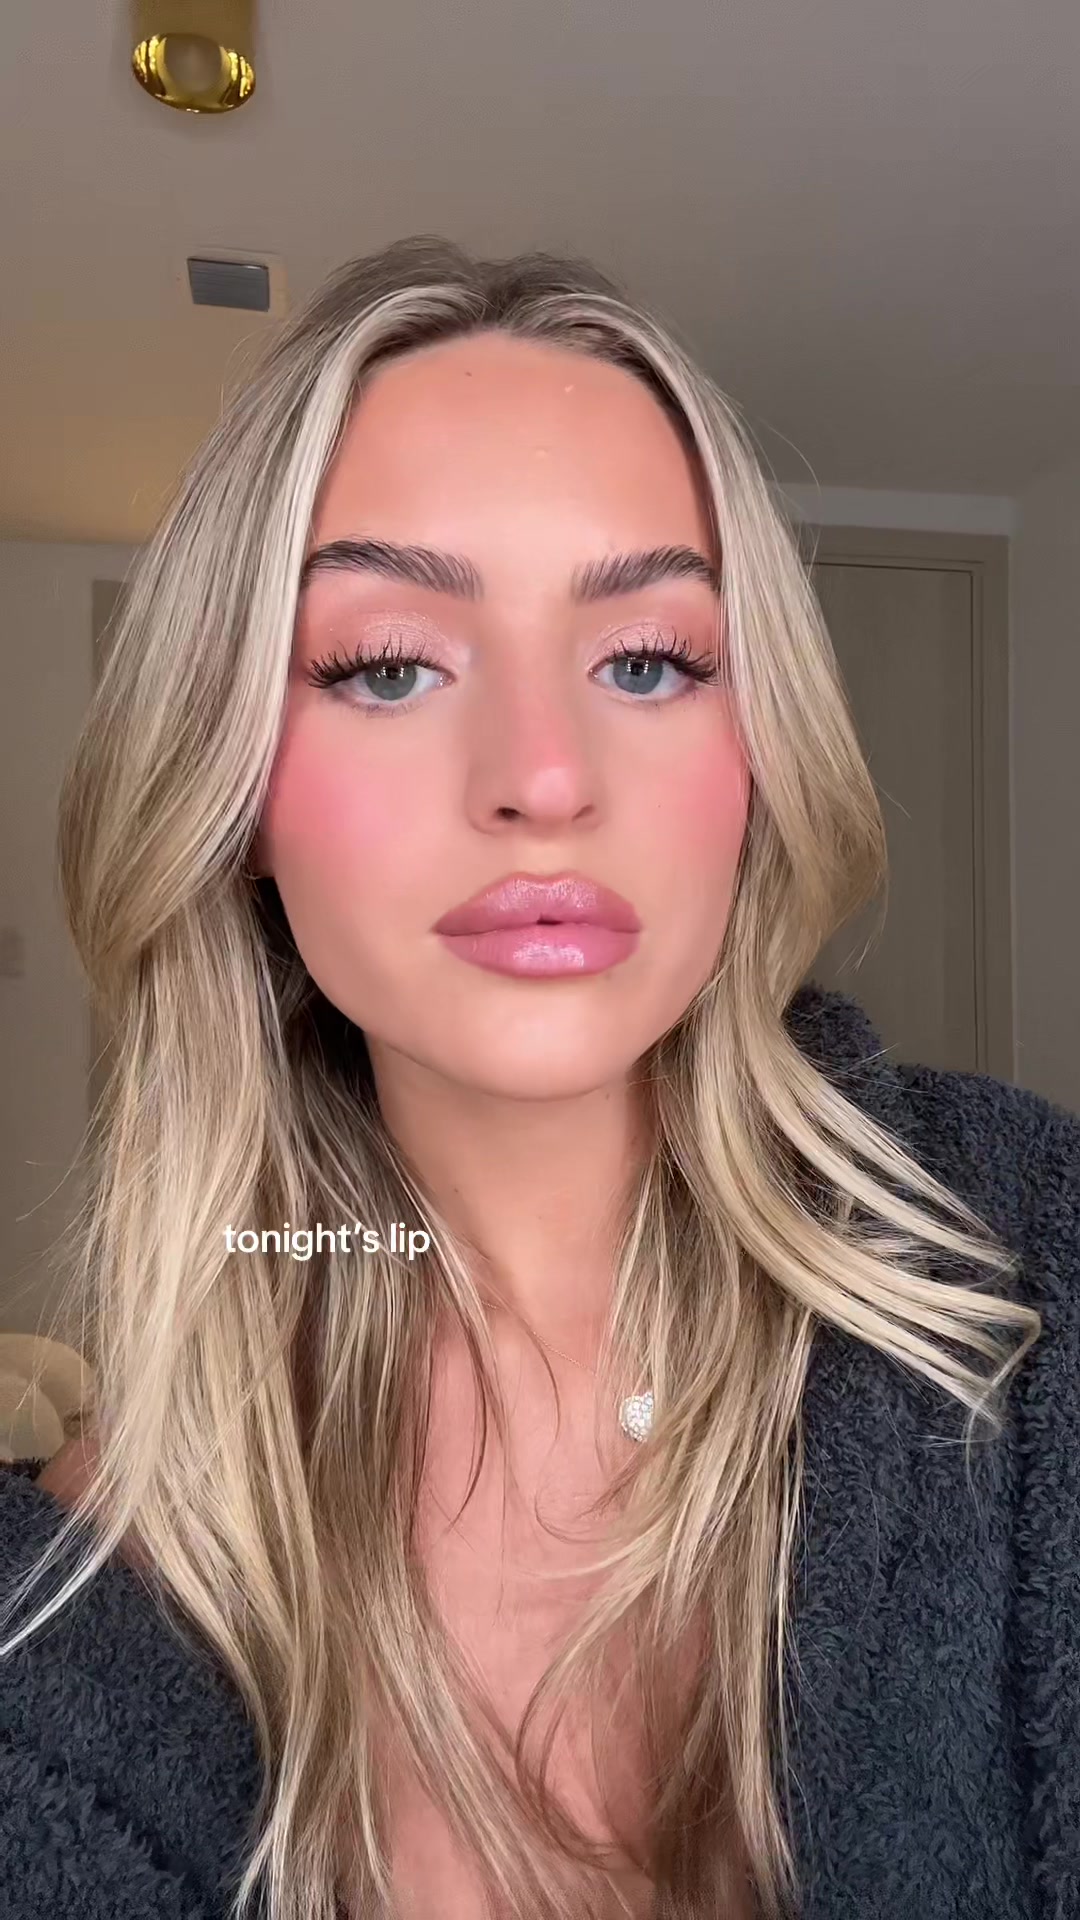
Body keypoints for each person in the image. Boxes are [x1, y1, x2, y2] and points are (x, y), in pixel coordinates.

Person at [1, 234, 1077, 1920]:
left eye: (647, 660)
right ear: (238, 789)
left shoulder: (1027, 1274)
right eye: (389, 664)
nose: (545, 778)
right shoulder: (80, 1607)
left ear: (756, 754)